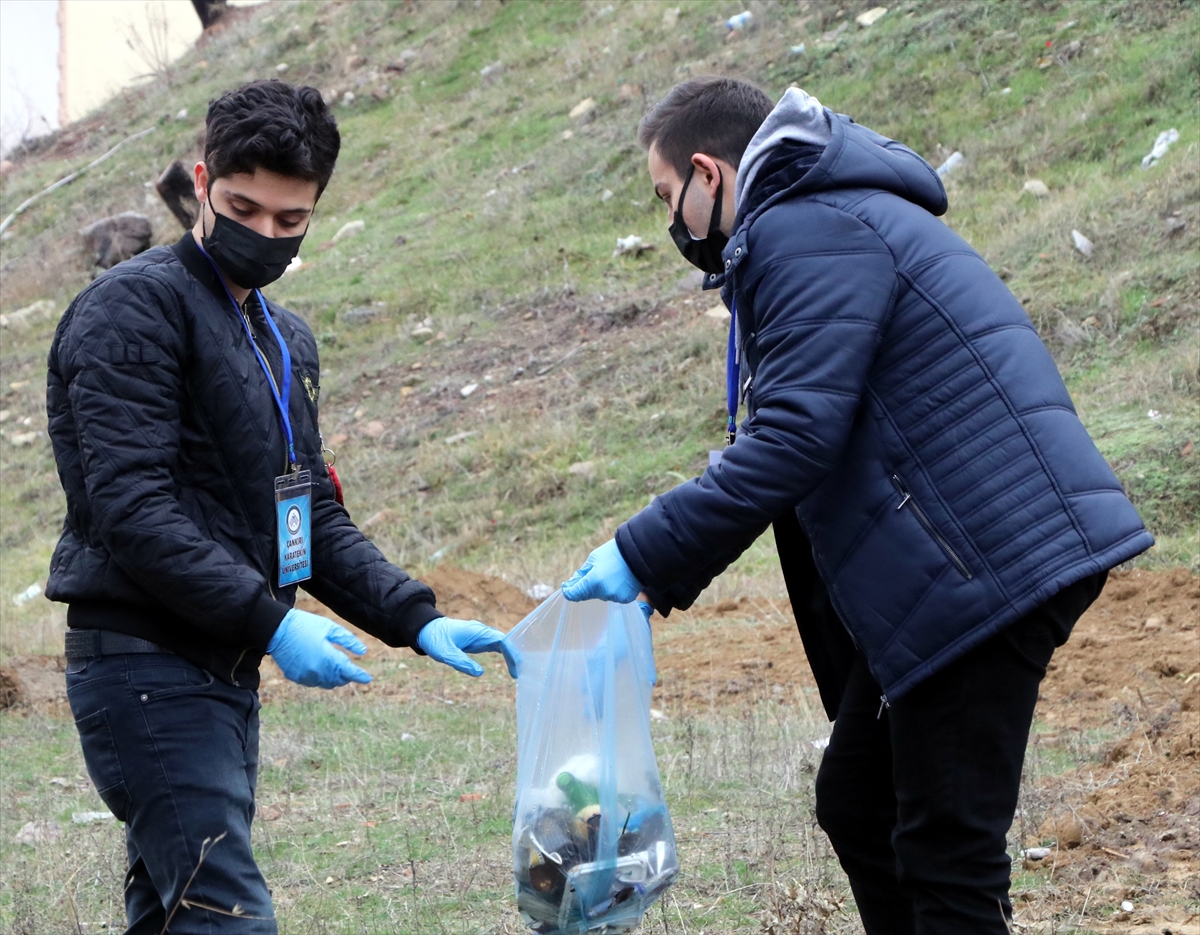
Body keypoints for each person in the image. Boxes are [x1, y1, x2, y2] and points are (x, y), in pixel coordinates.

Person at [562, 76, 1152, 934]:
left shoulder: (806, 229)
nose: (671, 224)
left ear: (707, 173)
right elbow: (808, 438)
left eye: (666, 197)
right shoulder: (817, 219)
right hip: (963, 558)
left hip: (984, 565)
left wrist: (642, 552)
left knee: (946, 846)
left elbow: (795, 437)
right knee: (858, 801)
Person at [47, 79, 512, 935]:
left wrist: (413, 615)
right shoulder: (132, 309)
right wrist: (272, 623)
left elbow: (305, 516)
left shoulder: (281, 337)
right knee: (225, 917)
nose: (264, 234)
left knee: (175, 912)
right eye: (243, 208)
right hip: (144, 667)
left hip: (221, 671)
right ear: (201, 181)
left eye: (289, 220)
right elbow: (133, 509)